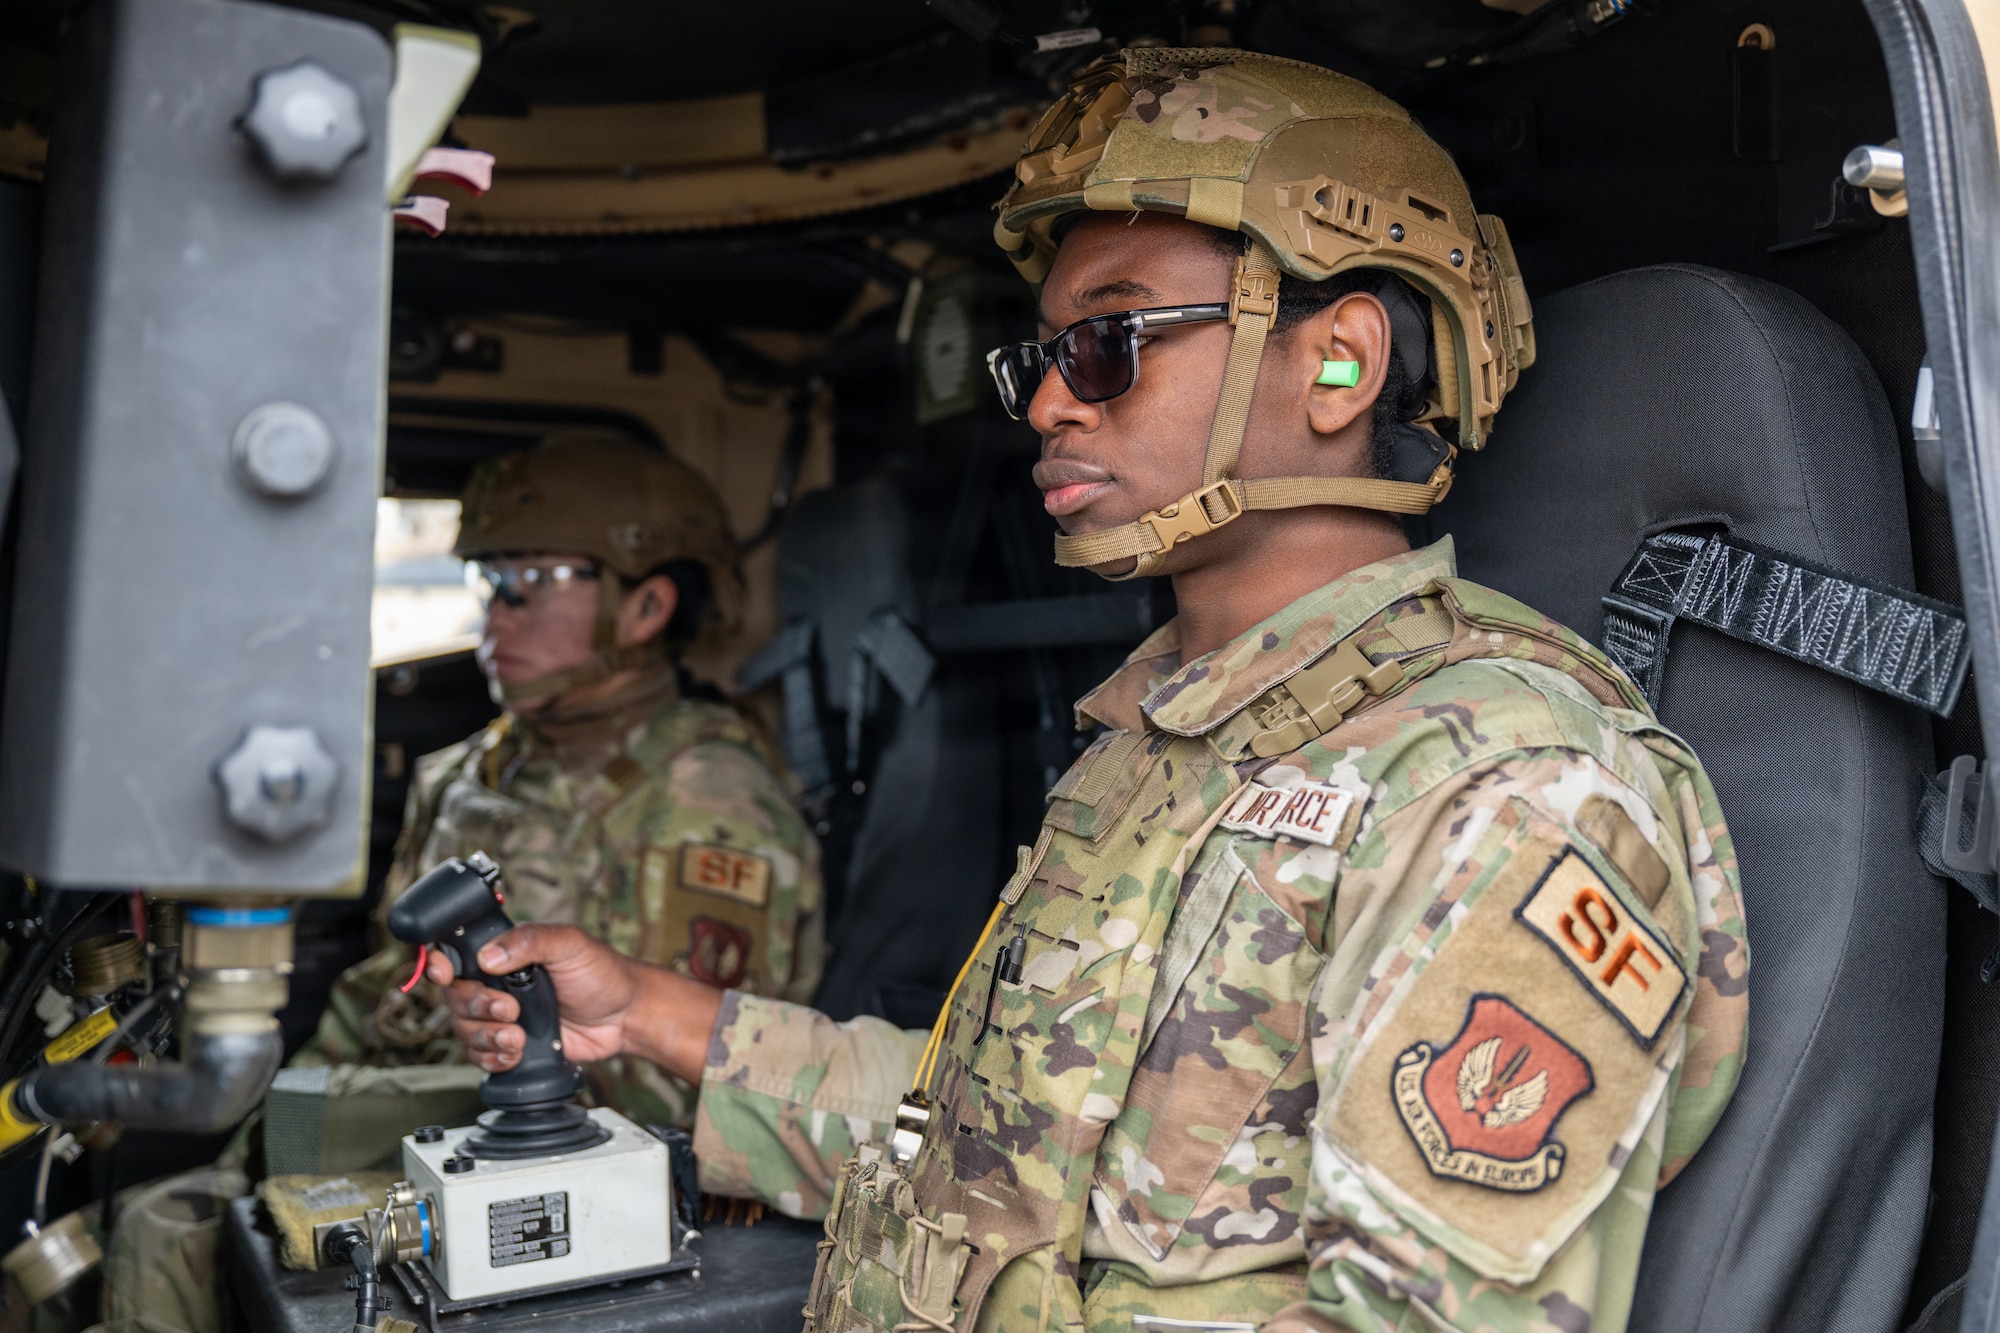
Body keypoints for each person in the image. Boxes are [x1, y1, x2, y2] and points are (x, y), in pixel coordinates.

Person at [432, 50, 1749, 1333]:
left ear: (1338, 365)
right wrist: (645, 1013)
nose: (1051, 403)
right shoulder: (1165, 740)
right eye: (1043, 357)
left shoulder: (1502, 784)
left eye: (1113, 342)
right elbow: (978, 1132)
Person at [95, 430, 824, 1333]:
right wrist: (293, 1125)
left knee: (163, 1230)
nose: (496, 617)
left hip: (551, 1163)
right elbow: (378, 992)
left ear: (644, 609)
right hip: (416, 1120)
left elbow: (684, 1096)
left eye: (533, 585)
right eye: (489, 583)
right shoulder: (471, 769)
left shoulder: (712, 803)